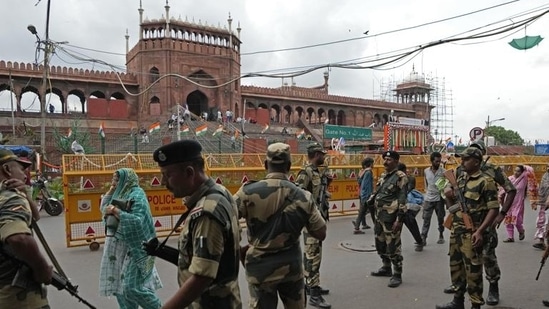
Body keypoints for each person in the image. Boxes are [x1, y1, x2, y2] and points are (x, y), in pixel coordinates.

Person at [235, 143, 327, 309]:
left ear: (265, 165)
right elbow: (320, 232)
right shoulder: (303, 196)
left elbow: (226, 219)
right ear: (289, 166)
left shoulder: (247, 192)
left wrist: (240, 248)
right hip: (291, 268)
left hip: (260, 269)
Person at [151, 140, 241, 308]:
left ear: (189, 172)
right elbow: (215, 256)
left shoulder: (207, 211)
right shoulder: (221, 193)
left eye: (167, 175)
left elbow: (202, 277)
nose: (164, 182)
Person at [442, 140, 516, 306]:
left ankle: (493, 285)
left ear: (480, 156)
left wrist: (502, 214)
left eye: (474, 152)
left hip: (483, 224)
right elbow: (449, 190)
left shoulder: (492, 171)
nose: (466, 159)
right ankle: (459, 291)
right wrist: (450, 200)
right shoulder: (461, 170)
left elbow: (511, 190)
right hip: (462, 225)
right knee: (459, 261)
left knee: (487, 256)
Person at [436, 147, 499, 309]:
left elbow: (493, 209)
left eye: (465, 159)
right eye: (461, 159)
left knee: (473, 271)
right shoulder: (460, 179)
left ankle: (475, 304)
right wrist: (447, 194)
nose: (462, 162)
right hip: (456, 230)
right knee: (456, 267)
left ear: (477, 162)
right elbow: (452, 205)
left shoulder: (486, 181)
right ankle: (457, 301)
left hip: (472, 233)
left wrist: (479, 231)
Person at [99, 168, 162, 309]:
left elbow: (137, 221)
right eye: (113, 180)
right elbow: (104, 210)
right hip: (118, 247)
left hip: (138, 247)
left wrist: (115, 211)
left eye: (116, 180)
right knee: (120, 289)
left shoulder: (137, 194)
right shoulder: (119, 192)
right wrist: (110, 192)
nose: (113, 183)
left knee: (131, 287)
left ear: (126, 180)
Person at [0, 148, 53, 308]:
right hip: (14, 295)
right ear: (7, 169)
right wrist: (41, 269)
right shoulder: (9, 198)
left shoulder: (12, 195)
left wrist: (25, 194)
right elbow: (19, 238)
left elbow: (34, 217)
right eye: (21, 169)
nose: (25, 175)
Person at [295, 143, 331, 309]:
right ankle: (314, 293)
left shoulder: (318, 172)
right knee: (313, 255)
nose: (324, 157)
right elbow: (299, 195)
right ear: (317, 154)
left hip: (318, 219)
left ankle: (309, 285)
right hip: (311, 221)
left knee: (313, 254)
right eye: (322, 154)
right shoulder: (306, 172)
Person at [369, 151, 407, 288]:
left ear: (396, 161)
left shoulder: (400, 177)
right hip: (379, 216)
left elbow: (402, 199)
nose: (385, 162)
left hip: (391, 218)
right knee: (380, 244)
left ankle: (397, 273)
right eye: (384, 159)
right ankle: (386, 267)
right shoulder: (384, 176)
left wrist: (400, 219)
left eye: (389, 160)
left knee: (393, 246)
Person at [419, 151, 446, 250]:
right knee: (426, 219)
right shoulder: (426, 171)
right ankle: (423, 238)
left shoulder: (443, 172)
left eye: (439, 161)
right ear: (431, 161)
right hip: (428, 198)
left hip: (439, 199)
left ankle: (441, 234)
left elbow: (446, 185)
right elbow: (426, 183)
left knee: (440, 219)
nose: (438, 163)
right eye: (436, 161)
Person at [398, 163, 423, 251]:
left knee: (411, 224)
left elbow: (408, 190)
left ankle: (419, 242)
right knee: (397, 227)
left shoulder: (408, 179)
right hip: (396, 207)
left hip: (406, 206)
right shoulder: (393, 179)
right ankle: (397, 246)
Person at [500, 165, 528, 243]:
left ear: (522, 172)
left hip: (518, 203)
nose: (516, 172)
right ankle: (510, 237)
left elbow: (528, 170)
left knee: (517, 219)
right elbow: (503, 189)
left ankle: (521, 231)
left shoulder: (524, 179)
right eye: (515, 170)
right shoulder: (510, 179)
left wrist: (523, 166)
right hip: (508, 202)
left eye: (518, 171)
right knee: (508, 219)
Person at [352, 157, 374, 234]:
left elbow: (360, 182)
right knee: (369, 211)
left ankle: (362, 224)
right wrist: (369, 196)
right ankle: (357, 227)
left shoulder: (362, 172)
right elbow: (366, 185)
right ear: (370, 164)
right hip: (366, 195)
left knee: (364, 210)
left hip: (362, 194)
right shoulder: (368, 172)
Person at [534, 163, 549, 250]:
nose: (548, 168)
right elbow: (542, 188)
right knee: (541, 221)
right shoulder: (545, 176)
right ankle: (541, 240)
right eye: (548, 166)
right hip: (544, 203)